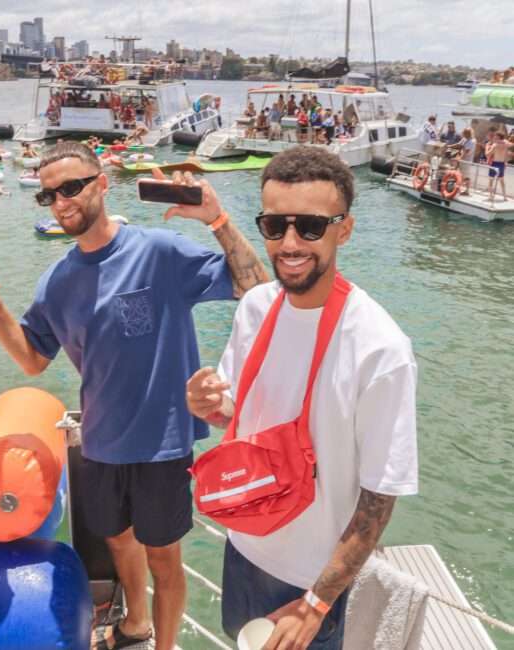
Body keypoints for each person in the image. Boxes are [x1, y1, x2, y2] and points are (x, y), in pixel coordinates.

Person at [0, 141, 269, 650]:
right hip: (99, 445)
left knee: (164, 560)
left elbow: (251, 284)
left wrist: (217, 220)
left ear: (103, 183)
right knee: (120, 543)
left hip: (162, 445)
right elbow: (33, 357)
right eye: (49, 195)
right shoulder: (56, 282)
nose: (61, 201)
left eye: (71, 187)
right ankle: (136, 623)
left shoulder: (160, 251)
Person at [185, 146, 418, 650]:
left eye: (310, 227)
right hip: (243, 543)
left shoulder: (380, 348)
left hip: (310, 580)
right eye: (274, 226)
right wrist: (207, 403)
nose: (290, 243)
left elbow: (379, 499)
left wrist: (316, 603)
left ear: (344, 229)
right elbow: (238, 413)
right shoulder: (255, 306)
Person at [485, 130, 512, 200]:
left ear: (498, 136)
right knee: (502, 181)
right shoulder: (506, 144)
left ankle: (491, 197)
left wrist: (487, 147)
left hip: (495, 163)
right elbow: (510, 144)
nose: (494, 137)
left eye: (496, 135)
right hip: (502, 164)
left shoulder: (495, 145)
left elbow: (487, 154)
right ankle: (504, 197)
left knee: (491, 180)